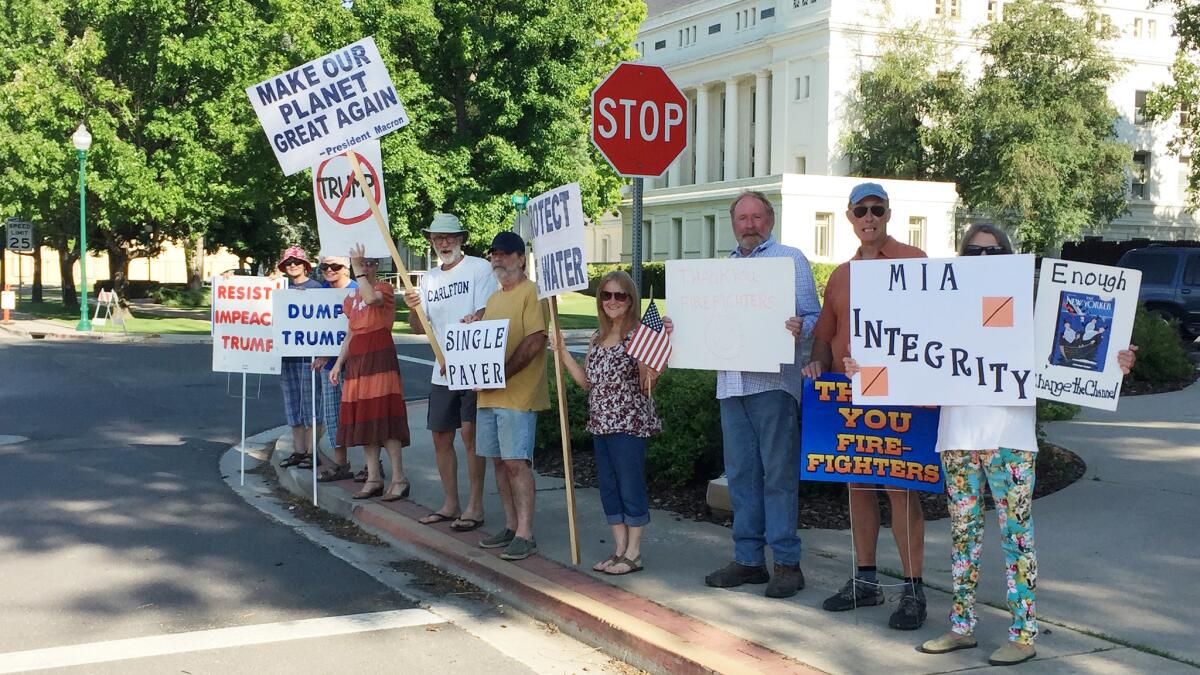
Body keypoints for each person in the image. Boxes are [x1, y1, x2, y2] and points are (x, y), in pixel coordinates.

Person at [841, 224, 1139, 667]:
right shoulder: (940, 311)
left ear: (1008, 254)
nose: (983, 259)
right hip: (958, 438)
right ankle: (962, 627)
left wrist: (1115, 362)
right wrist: (864, 372)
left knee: (1017, 537)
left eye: (993, 252)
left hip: (1010, 440)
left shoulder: (1031, 311)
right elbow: (915, 367)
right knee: (963, 537)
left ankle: (1023, 633)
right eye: (973, 253)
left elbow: (1070, 361)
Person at [663, 190, 821, 599]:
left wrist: (799, 327)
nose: (749, 225)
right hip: (731, 385)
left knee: (778, 476)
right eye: (742, 219)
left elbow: (816, 317)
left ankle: (787, 563)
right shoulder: (724, 270)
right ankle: (749, 560)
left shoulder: (790, 260)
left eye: (756, 217)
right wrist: (678, 327)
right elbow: (705, 325)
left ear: (770, 219)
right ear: (733, 224)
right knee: (741, 477)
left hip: (773, 384)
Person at [801, 182, 931, 629]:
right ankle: (866, 581)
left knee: (901, 490)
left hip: (900, 394)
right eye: (861, 211)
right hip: (851, 398)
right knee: (857, 487)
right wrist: (817, 366)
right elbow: (824, 335)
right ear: (850, 217)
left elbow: (936, 322)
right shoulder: (841, 275)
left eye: (877, 209)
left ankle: (914, 591)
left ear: (889, 214)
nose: (869, 218)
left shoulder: (914, 261)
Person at [551, 271, 661, 575]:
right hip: (600, 423)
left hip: (629, 424)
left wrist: (649, 362)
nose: (612, 301)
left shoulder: (639, 336)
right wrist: (561, 353)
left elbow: (647, 383)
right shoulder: (597, 339)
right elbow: (587, 383)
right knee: (609, 488)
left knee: (630, 485)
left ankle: (634, 553)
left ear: (631, 300)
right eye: (606, 295)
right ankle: (619, 550)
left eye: (620, 295)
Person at [403, 213, 498, 531]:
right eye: (437, 238)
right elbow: (420, 327)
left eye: (449, 237)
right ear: (431, 241)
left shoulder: (479, 268)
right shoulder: (427, 278)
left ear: (460, 239)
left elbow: (486, 310)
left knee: (471, 435)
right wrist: (412, 308)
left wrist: (476, 321)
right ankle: (450, 503)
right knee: (441, 435)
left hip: (471, 364)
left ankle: (475, 506)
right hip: (441, 368)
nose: (443, 243)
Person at [467, 231, 548, 562]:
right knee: (498, 462)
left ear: (521, 259)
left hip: (519, 395)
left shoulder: (531, 293)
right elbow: (480, 344)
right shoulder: (495, 299)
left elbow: (534, 341)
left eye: (504, 253)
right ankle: (511, 526)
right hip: (488, 396)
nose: (497, 259)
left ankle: (526, 534)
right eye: (493, 254)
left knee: (515, 462)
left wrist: (500, 375)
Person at [330, 244, 411, 501]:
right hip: (358, 360)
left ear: (377, 266)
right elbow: (351, 331)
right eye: (362, 263)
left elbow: (370, 299)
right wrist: (338, 363)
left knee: (384, 416)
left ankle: (399, 478)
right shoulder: (350, 299)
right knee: (365, 418)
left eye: (370, 263)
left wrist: (358, 271)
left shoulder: (383, 289)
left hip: (380, 356)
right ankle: (373, 477)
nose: (366, 266)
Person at [276, 245, 325, 470]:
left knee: (311, 406)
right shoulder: (279, 289)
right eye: (288, 263)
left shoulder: (318, 289)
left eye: (296, 262)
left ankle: (310, 451)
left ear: (305, 265)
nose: (292, 265)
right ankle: (298, 450)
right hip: (286, 357)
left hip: (309, 357)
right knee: (292, 405)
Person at [312, 256, 357, 482]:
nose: (329, 270)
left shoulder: (357, 290)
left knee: (362, 415)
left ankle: (373, 466)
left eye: (335, 266)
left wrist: (328, 355)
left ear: (347, 268)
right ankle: (341, 463)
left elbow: (354, 330)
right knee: (333, 416)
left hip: (355, 363)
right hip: (328, 366)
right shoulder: (321, 293)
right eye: (324, 266)